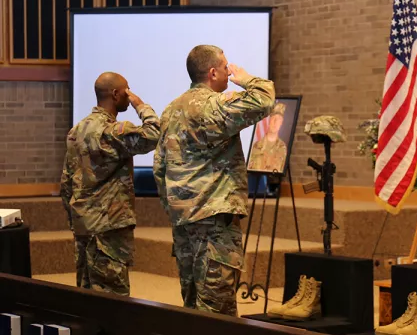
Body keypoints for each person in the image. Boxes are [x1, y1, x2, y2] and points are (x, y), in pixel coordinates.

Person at [153, 45, 275, 316]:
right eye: (225, 67)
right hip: (214, 222)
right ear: (212, 72)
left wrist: (175, 207)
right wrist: (245, 79)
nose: (228, 70)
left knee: (192, 303)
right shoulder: (214, 106)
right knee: (217, 311)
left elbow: (160, 167)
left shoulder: (171, 109)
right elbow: (265, 99)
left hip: (183, 222)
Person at [60, 72, 160, 296]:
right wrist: (140, 105)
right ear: (115, 94)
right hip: (108, 227)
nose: (129, 94)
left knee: (86, 294)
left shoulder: (76, 131)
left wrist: (76, 220)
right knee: (112, 299)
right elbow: (154, 134)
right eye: (127, 90)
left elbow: (66, 183)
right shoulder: (113, 131)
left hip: (84, 225)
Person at [247, 102, 288, 172]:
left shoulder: (283, 148)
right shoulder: (256, 146)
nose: (275, 122)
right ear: (269, 121)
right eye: (273, 118)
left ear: (281, 123)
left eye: (278, 119)